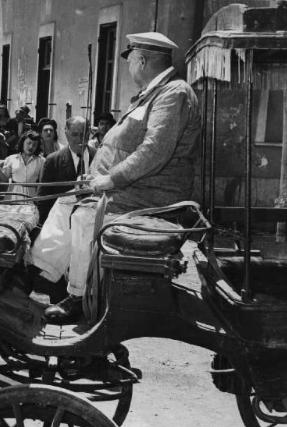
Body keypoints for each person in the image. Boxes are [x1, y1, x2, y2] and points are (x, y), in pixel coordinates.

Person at [29, 32, 201, 324]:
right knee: (66, 202)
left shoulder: (174, 94)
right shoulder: (154, 94)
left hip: (152, 193)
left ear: (142, 60)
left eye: (130, 59)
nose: (129, 66)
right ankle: (40, 275)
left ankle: (80, 297)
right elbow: (129, 146)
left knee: (84, 216)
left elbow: (153, 151)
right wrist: (94, 176)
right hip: (135, 187)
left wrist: (109, 180)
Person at [37, 116, 96, 225]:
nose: (80, 139)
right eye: (75, 134)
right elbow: (43, 200)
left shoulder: (99, 156)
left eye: (84, 135)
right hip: (60, 227)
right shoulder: (52, 161)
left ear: (89, 133)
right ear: (66, 133)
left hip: (91, 225)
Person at [0, 130, 45, 199]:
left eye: (34, 145)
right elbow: (4, 180)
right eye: (28, 143)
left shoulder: (41, 161)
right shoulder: (11, 159)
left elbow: (42, 184)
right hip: (12, 196)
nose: (31, 146)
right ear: (23, 143)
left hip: (31, 197)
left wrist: (38, 199)